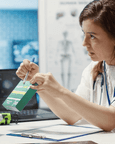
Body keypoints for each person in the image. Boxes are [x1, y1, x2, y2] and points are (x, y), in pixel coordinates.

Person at [16, 0, 115, 132]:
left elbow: (111, 120)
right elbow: (73, 115)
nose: (84, 43)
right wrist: (37, 83)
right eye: (83, 34)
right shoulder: (93, 69)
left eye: (92, 36)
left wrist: (60, 91)